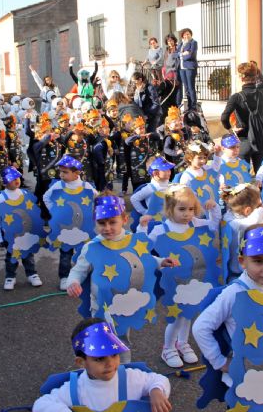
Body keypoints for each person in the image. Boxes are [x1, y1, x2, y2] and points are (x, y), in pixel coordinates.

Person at [66, 193, 176, 363]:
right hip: (101, 306)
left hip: (125, 304)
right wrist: (73, 282)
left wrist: (161, 262)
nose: (107, 228)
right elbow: (79, 270)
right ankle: (102, 372)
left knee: (122, 339)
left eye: (112, 222)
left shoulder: (132, 241)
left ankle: (124, 370)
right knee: (101, 339)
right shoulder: (92, 247)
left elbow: (144, 260)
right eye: (102, 223)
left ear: (124, 220)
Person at [193, 224, 263, 387]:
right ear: (242, 262)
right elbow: (201, 327)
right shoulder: (234, 293)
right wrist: (220, 362)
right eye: (258, 261)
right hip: (243, 379)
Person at [142, 185, 221, 368]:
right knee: (176, 316)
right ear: (170, 209)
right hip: (173, 283)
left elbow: (213, 224)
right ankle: (168, 347)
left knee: (189, 314)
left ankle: (183, 343)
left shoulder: (196, 223)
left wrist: (214, 208)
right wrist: (143, 229)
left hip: (194, 280)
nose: (187, 214)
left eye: (191, 209)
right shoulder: (161, 229)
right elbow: (143, 250)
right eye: (182, 209)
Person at [32, 317, 171, 412]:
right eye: (99, 359)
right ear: (81, 362)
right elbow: (41, 404)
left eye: (114, 354)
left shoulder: (131, 378)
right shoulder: (75, 389)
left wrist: (156, 391)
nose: (110, 364)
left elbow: (159, 379)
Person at [220, 39, 263, 171]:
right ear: (255, 75)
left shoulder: (236, 97)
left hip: (244, 141)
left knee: (243, 177)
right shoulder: (261, 91)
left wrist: (231, 129)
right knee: (261, 176)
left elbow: (224, 117)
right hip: (261, 140)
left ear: (241, 78)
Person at [43, 155, 97, 291]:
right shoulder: (58, 185)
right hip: (66, 228)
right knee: (65, 252)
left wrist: (93, 214)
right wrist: (55, 211)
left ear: (76, 173)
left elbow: (97, 198)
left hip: (83, 228)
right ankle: (64, 277)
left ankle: (83, 276)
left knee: (84, 252)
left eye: (65, 172)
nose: (61, 175)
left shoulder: (86, 186)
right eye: (60, 171)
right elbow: (46, 197)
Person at [0, 167, 44, 291]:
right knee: (11, 256)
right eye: (13, 179)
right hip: (10, 235)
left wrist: (37, 229)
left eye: (18, 178)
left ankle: (32, 274)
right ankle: (10, 277)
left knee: (28, 255)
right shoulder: (1, 198)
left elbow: (32, 213)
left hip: (26, 233)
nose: (17, 181)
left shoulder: (25, 194)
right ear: (5, 182)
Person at [219, 183, 263, 282]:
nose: (261, 207)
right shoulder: (241, 224)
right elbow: (249, 223)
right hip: (241, 272)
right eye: (258, 206)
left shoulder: (228, 216)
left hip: (236, 269)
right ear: (248, 211)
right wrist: (260, 211)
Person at [130, 156, 174, 234]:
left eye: (169, 169)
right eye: (166, 170)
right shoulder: (150, 188)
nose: (169, 172)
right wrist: (145, 212)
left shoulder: (171, 185)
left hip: (169, 221)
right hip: (154, 223)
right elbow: (134, 198)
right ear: (155, 173)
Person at [177, 28, 198, 111]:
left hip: (190, 68)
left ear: (191, 34)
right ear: (182, 36)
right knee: (186, 88)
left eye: (188, 34)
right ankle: (189, 106)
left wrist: (181, 55)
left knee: (191, 87)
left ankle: (193, 106)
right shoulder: (181, 44)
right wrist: (183, 54)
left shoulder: (193, 43)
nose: (186, 36)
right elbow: (175, 55)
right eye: (184, 35)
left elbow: (191, 55)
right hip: (182, 69)